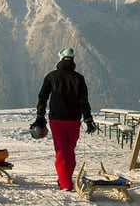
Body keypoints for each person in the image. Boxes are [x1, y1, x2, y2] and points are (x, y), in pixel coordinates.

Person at [32, 47, 97, 191]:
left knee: (61, 151)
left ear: (60, 59)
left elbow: (42, 97)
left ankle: (65, 182)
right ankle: (65, 179)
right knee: (69, 150)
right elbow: (83, 101)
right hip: (74, 120)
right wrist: (88, 119)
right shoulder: (79, 78)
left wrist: (40, 116)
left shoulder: (51, 76)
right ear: (73, 60)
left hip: (57, 120)